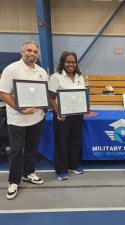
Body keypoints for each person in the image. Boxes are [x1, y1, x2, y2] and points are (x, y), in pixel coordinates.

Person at [0, 41, 48, 200]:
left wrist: (44, 106)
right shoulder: (11, 69)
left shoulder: (42, 72)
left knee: (32, 149)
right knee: (16, 152)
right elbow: (4, 94)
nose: (32, 54)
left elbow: (43, 94)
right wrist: (21, 109)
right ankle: (14, 181)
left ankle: (28, 173)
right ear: (22, 52)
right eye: (29, 50)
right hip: (17, 120)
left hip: (37, 119)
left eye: (35, 51)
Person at [48, 51, 85, 181]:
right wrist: (58, 112)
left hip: (77, 114)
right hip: (62, 115)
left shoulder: (80, 77)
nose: (71, 64)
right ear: (63, 62)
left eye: (73, 62)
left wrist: (84, 108)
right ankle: (61, 169)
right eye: (68, 61)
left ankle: (74, 165)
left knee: (75, 141)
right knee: (61, 142)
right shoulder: (56, 77)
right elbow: (51, 98)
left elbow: (82, 96)